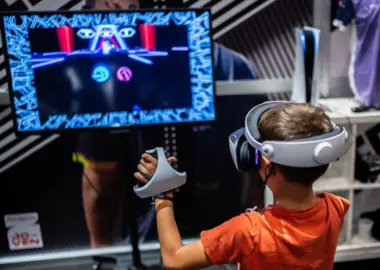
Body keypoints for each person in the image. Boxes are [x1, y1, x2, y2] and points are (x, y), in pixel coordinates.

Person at [75, 0, 259, 248]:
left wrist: (101, 251)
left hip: (193, 244)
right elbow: (260, 169)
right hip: (217, 242)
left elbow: (101, 184)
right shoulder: (235, 67)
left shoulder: (231, 68)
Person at [135, 102, 351, 269]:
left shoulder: (248, 231)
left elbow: (175, 260)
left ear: (266, 163)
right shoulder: (336, 208)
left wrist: (162, 193)